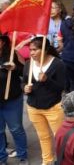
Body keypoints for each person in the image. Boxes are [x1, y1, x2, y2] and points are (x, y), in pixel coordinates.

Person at [24, 36, 66, 165]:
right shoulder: (28, 63)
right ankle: (47, 161)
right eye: (30, 49)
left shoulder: (58, 64)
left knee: (59, 137)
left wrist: (47, 80)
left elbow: (62, 87)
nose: (31, 53)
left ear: (45, 50)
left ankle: (63, 161)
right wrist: (24, 88)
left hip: (53, 107)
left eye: (35, 50)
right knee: (43, 137)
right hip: (33, 107)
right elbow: (24, 81)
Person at [0, 34, 26, 164]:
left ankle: (22, 155)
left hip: (12, 98)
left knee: (16, 129)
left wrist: (15, 67)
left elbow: (23, 71)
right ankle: (1, 159)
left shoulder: (11, 54)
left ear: (3, 42)